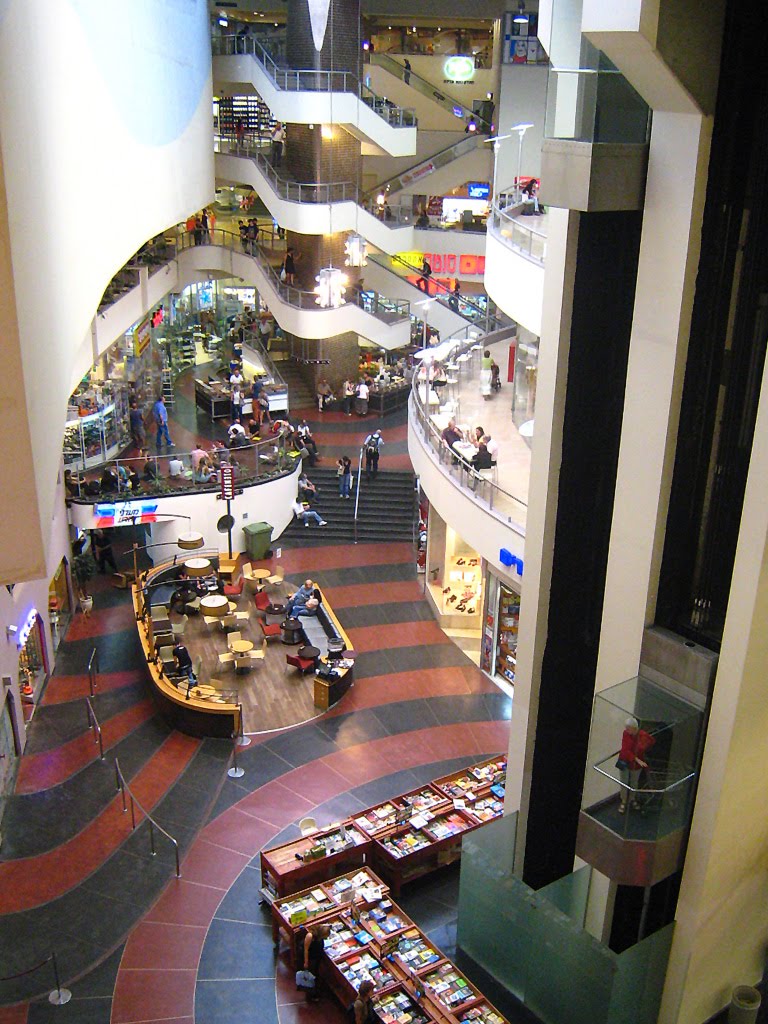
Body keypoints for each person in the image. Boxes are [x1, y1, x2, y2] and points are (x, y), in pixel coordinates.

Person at [617, 718, 655, 813]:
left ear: (634, 728)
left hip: (636, 765)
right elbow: (625, 750)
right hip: (625, 761)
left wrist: (644, 746)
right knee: (624, 782)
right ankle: (624, 800)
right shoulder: (626, 734)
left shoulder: (642, 735)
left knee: (634, 782)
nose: (626, 730)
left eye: (628, 728)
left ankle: (632, 799)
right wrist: (637, 759)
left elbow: (651, 741)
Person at [302, 923, 330, 1001]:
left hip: (317, 957)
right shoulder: (310, 936)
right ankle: (310, 995)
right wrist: (306, 962)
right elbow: (306, 949)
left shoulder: (320, 936)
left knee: (316, 975)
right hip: (311, 958)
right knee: (311, 976)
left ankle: (315, 992)